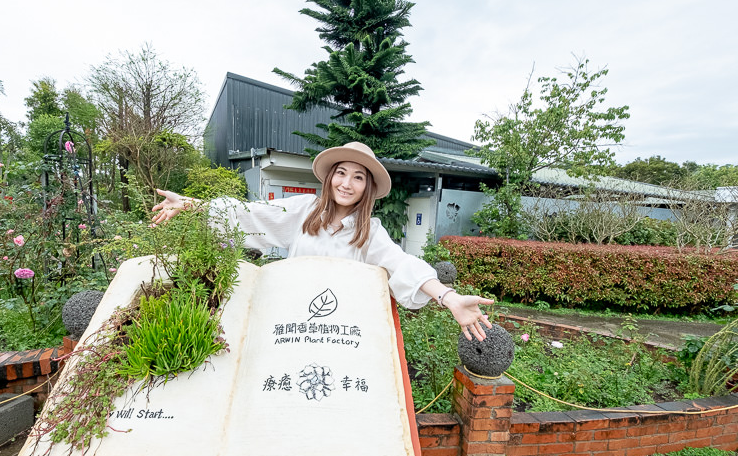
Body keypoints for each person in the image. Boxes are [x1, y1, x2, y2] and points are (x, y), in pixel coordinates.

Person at [152, 141, 494, 341]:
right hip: (289, 323)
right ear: (330, 177)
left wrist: (449, 298)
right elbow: (249, 212)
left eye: (358, 177)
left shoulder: (369, 232)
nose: (347, 183)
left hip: (340, 331)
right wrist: (192, 204)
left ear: (368, 188)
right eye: (341, 173)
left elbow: (401, 263)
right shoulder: (302, 211)